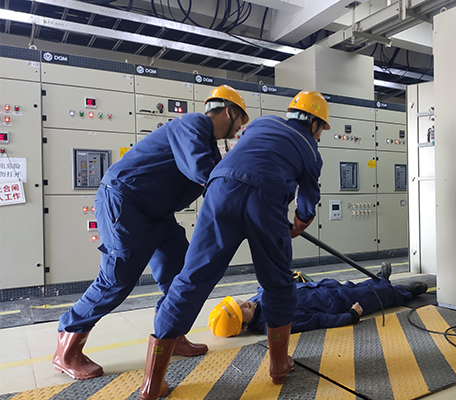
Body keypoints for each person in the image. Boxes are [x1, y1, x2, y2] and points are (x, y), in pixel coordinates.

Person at [139, 91, 329, 400]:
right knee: (277, 283)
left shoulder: (262, 123)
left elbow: (243, 155)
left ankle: (152, 381)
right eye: (321, 130)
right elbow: (308, 197)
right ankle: (279, 365)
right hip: (266, 200)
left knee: (191, 278)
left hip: (221, 190)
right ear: (315, 124)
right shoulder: (310, 148)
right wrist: (299, 223)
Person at [53, 85, 249, 381]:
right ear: (228, 111)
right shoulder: (194, 124)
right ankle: (67, 349)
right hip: (126, 202)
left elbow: (214, 178)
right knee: (117, 279)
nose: (239, 129)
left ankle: (172, 334)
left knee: (180, 274)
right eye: (240, 120)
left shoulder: (208, 143)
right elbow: (204, 173)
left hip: (157, 213)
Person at [207, 263, 428, 337]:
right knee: (380, 297)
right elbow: (318, 321)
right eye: (241, 310)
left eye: (237, 302)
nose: (243, 304)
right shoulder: (275, 321)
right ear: (244, 326)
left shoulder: (254, 302)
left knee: (362, 286)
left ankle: (381, 281)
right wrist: (351, 316)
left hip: (326, 288)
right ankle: (405, 292)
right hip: (340, 303)